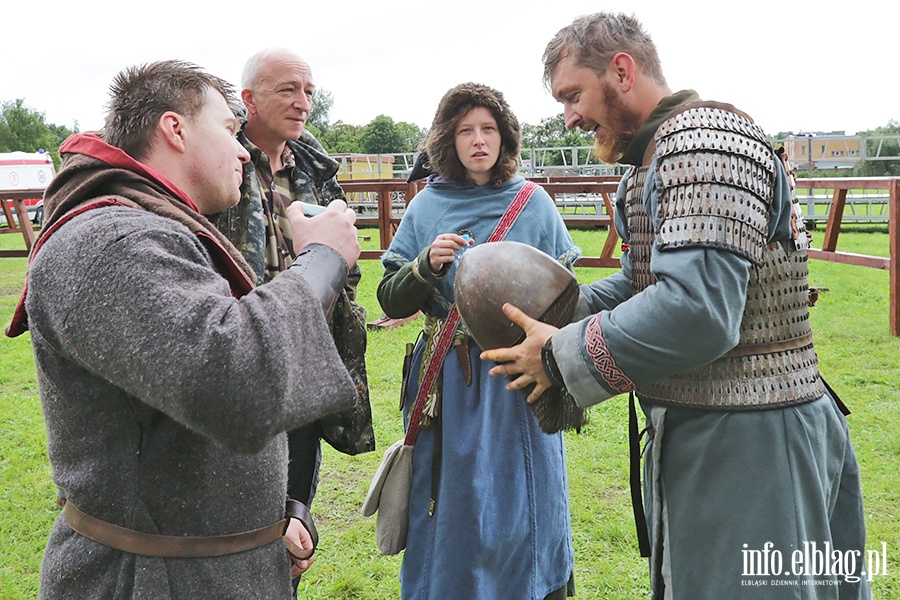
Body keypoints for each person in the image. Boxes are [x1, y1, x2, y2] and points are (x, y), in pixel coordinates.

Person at [482, 12, 872, 600]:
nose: (570, 116)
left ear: (621, 70)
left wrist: (560, 354)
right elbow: (648, 285)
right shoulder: (657, 156)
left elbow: (697, 310)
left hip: (756, 438)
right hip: (714, 426)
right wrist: (561, 309)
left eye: (572, 96)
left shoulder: (703, 145)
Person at [6, 60, 361, 599]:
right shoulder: (112, 243)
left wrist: (269, 516)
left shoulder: (147, 231)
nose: (244, 150)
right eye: (228, 130)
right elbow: (237, 381)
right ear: (175, 129)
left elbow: (181, 417)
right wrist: (323, 259)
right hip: (150, 582)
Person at [377, 82, 580, 599]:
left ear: (505, 136)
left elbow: (566, 299)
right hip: (451, 380)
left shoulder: (532, 203)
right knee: (455, 496)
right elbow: (390, 299)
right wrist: (425, 265)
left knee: (524, 492)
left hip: (520, 373)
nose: (478, 140)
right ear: (448, 139)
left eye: (488, 128)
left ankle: (535, 585)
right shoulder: (427, 207)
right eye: (465, 130)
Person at [211, 48, 373, 523]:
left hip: (304, 359)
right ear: (248, 100)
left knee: (294, 506)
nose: (303, 102)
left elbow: (347, 258)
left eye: (308, 92)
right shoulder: (222, 163)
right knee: (234, 507)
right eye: (288, 89)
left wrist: (342, 307)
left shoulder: (315, 171)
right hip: (240, 358)